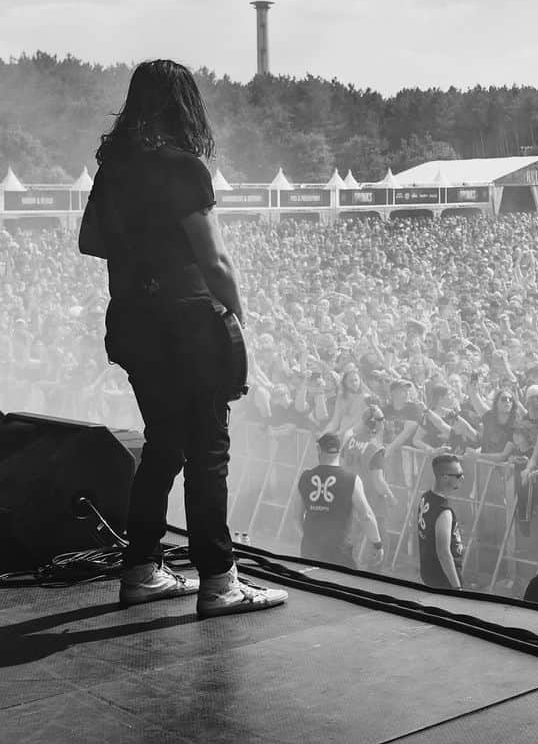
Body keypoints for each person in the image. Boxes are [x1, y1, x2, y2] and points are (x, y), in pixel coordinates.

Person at [79, 59, 286, 617]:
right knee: (208, 452)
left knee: (163, 444)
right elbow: (213, 257)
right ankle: (220, 580)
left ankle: (143, 568)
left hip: (132, 321)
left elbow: (89, 240)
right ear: (184, 104)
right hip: (189, 323)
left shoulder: (112, 168)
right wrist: (238, 320)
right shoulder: (183, 166)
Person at [292, 433, 383, 569]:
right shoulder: (351, 479)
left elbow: (295, 517)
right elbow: (366, 515)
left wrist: (308, 539)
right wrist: (377, 544)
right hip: (339, 553)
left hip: (310, 552)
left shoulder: (305, 477)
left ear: (318, 449)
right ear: (340, 451)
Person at [417, 449, 466, 590]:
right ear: (444, 477)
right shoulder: (444, 511)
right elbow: (443, 552)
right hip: (444, 579)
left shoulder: (425, 497)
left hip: (430, 573)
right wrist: (456, 587)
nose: (462, 478)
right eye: (458, 475)